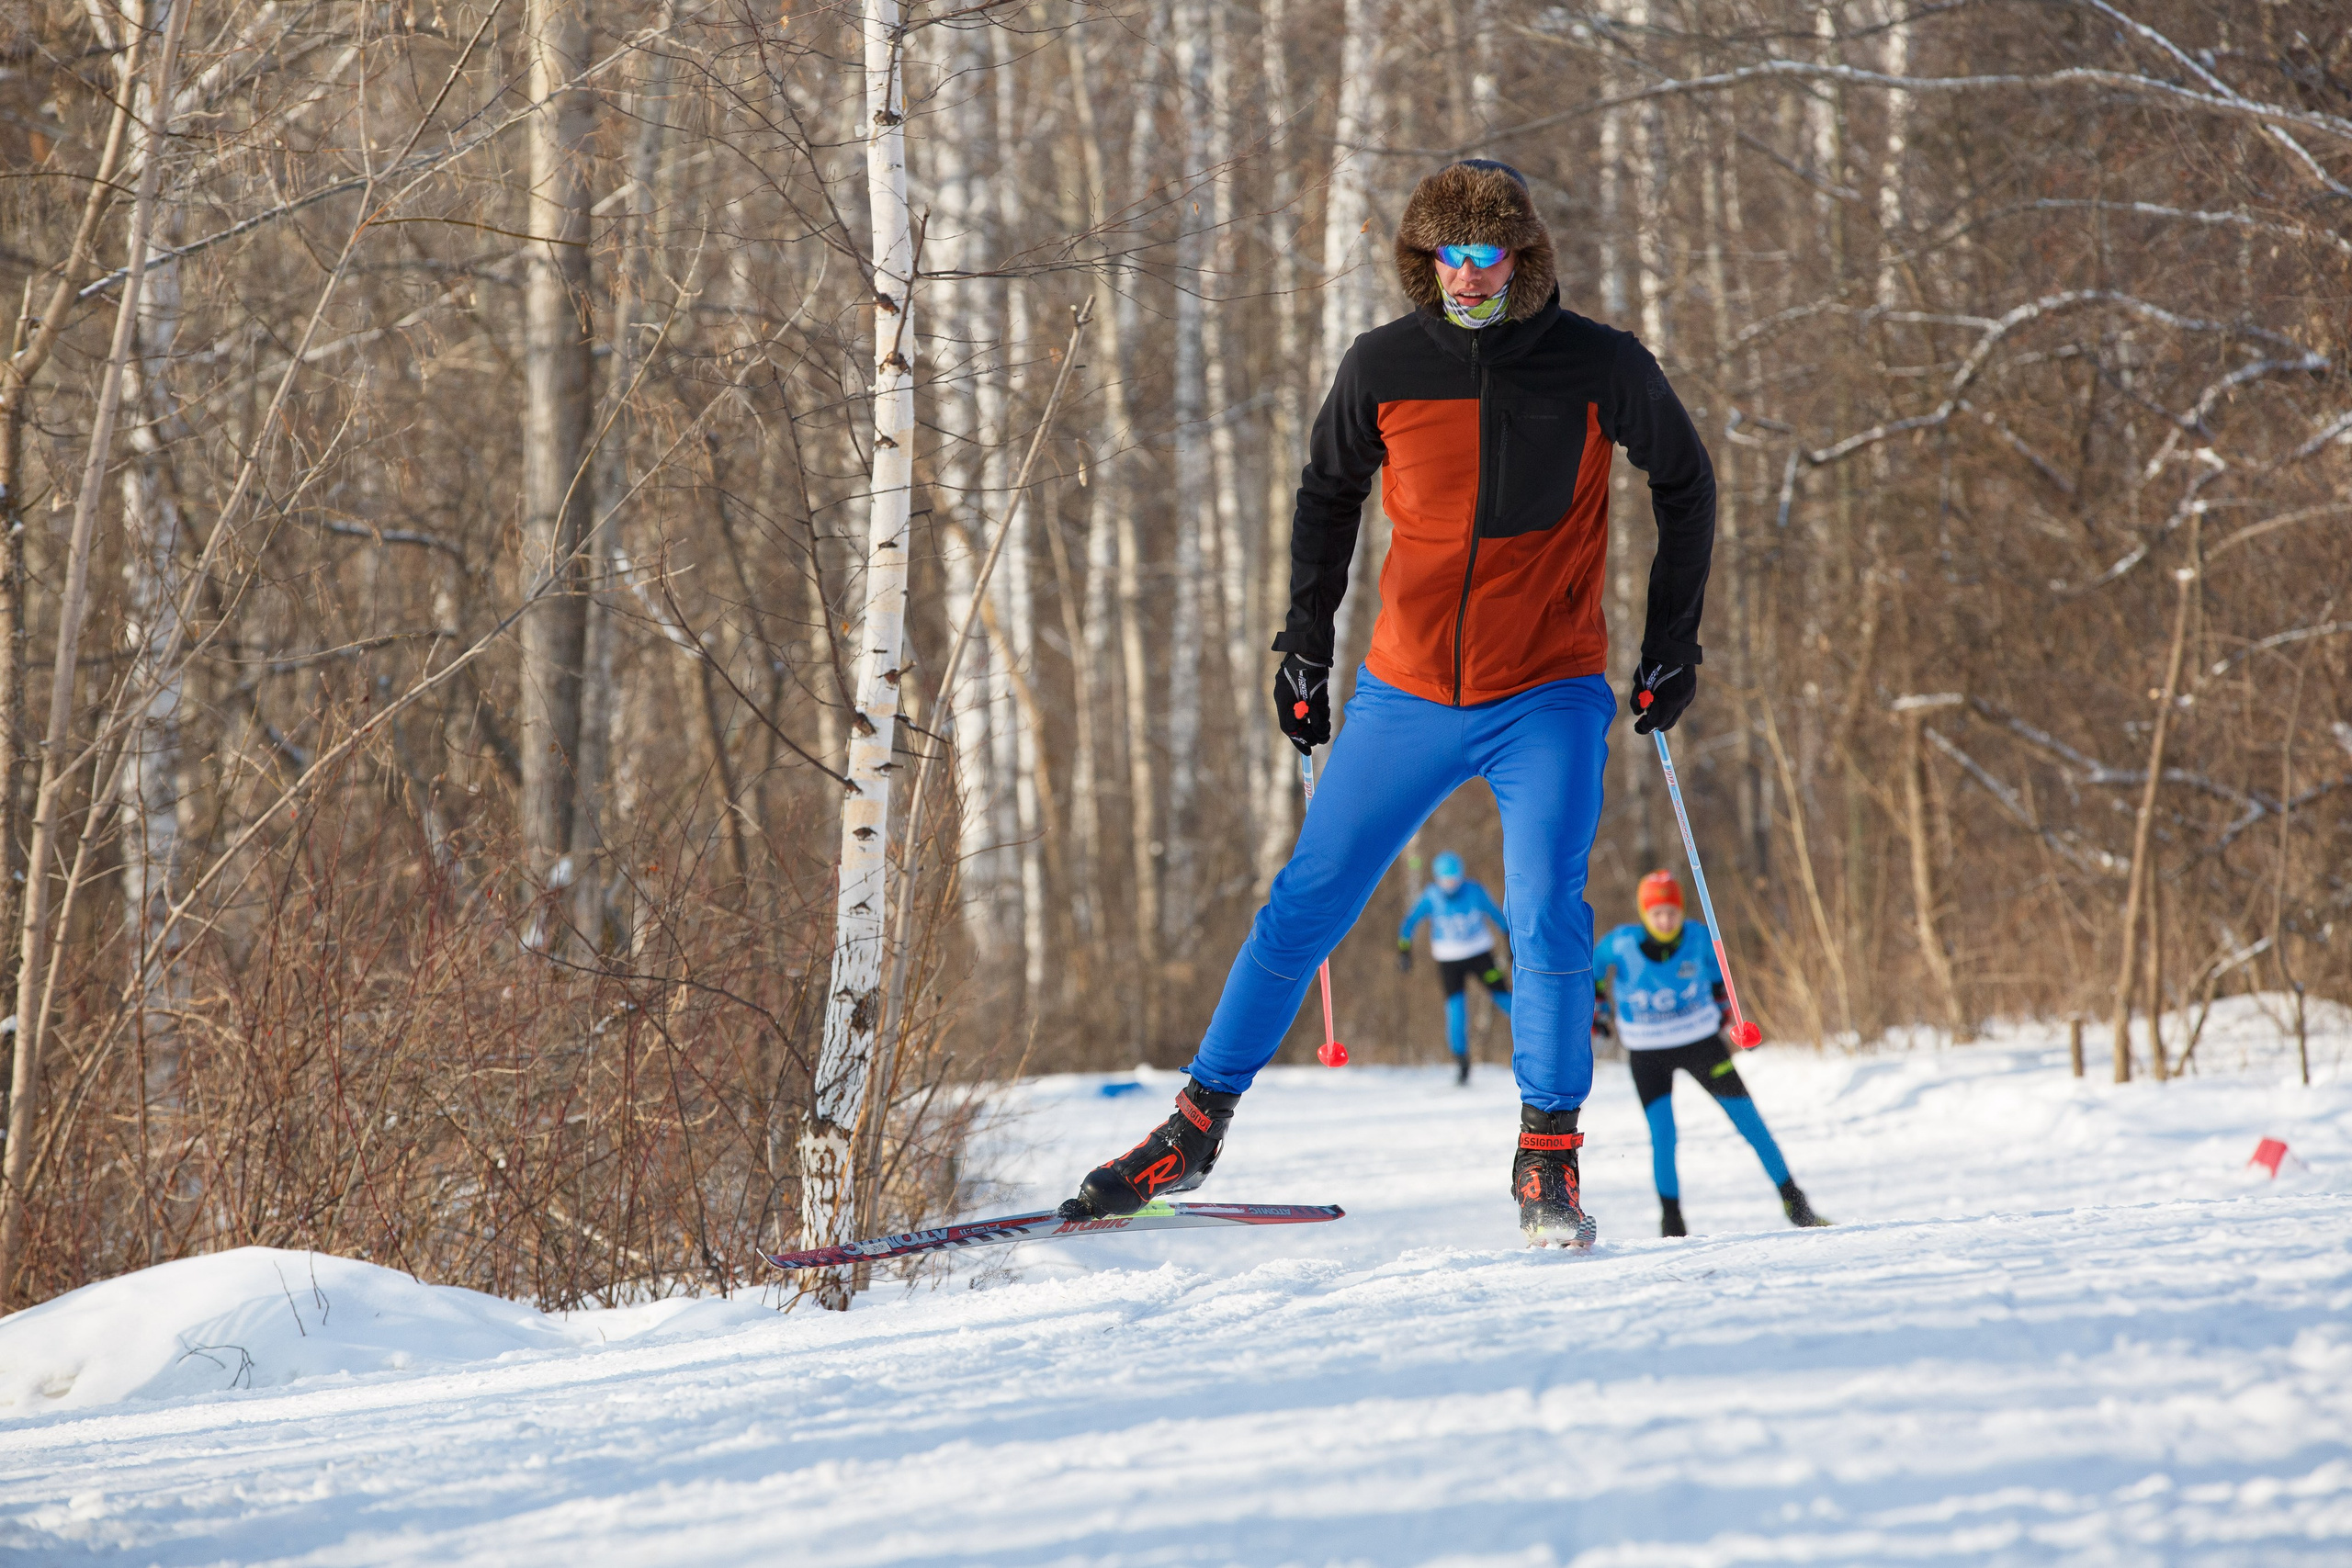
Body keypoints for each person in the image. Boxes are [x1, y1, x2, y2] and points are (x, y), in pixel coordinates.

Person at [1057, 159, 1716, 1249]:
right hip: (1404, 691)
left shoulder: (1598, 365)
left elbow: (1684, 484)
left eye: (1487, 256)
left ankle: (1546, 1157)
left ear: (1523, 258)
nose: (1467, 278)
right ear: (1424, 261)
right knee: (1303, 904)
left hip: (1544, 691)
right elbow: (1327, 494)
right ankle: (1192, 1126)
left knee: (1546, 912)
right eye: (1447, 257)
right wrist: (1302, 647)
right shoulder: (1382, 366)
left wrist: (1671, 645)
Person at [1595, 870, 1831, 1236]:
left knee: (1750, 1123)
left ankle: (1796, 1205)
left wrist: (1728, 1013)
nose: (1665, 920)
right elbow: (1593, 968)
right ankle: (1672, 1223)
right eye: (1656, 913)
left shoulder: (1699, 937)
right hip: (1647, 1050)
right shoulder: (1622, 943)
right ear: (1644, 915)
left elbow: (1721, 979)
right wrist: (1598, 1009)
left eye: (1672, 912)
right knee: (1664, 1136)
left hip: (1700, 1042)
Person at [1397, 851, 1513, 1084]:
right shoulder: (1431, 896)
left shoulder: (1474, 891)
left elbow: (1497, 916)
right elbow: (1409, 923)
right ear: (1438, 879)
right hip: (1449, 960)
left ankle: (1538, 1035)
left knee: (1503, 998)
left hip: (1480, 955)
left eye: (1454, 879)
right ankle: (1462, 1063)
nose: (1451, 885)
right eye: (1446, 880)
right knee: (1456, 1010)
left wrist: (1510, 943)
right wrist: (1404, 951)